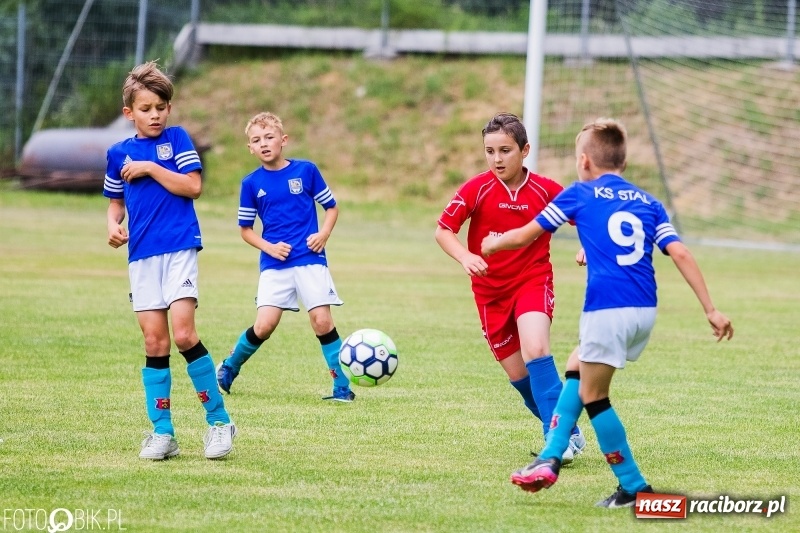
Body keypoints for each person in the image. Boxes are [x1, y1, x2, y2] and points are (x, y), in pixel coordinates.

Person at [482, 117, 734, 507]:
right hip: (644, 312)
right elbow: (679, 252)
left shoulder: (578, 195)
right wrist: (711, 309)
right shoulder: (649, 203)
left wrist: (494, 243)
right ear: (623, 163)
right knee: (574, 365)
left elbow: (523, 235)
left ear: (585, 162)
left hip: (607, 309)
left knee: (594, 396)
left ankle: (632, 486)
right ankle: (551, 454)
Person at [104, 61, 237, 460]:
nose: (155, 114)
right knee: (154, 340)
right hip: (141, 256)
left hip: (179, 247)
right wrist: (112, 226)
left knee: (183, 334)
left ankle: (218, 421)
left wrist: (150, 167)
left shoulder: (178, 140)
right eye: (146, 109)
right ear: (130, 113)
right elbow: (115, 206)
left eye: (161, 106)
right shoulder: (117, 153)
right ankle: (163, 432)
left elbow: (193, 186)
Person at [435, 112, 585, 463]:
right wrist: (465, 257)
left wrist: (587, 245)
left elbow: (585, 218)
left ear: (525, 150)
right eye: (490, 151)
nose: (497, 159)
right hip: (490, 294)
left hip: (533, 280)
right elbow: (443, 230)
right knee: (521, 379)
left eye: (505, 150)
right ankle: (568, 429)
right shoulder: (477, 188)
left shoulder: (547, 190)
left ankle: (556, 442)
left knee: (537, 350)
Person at [215, 112, 354, 402]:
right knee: (264, 325)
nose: (264, 143)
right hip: (274, 263)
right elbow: (245, 230)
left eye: (269, 137)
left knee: (321, 321)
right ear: (250, 148)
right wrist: (269, 247)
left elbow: (331, 208)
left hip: (310, 258)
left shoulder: (306, 171)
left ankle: (342, 387)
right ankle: (230, 366)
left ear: (283, 140)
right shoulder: (251, 184)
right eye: (256, 140)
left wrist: (323, 234)